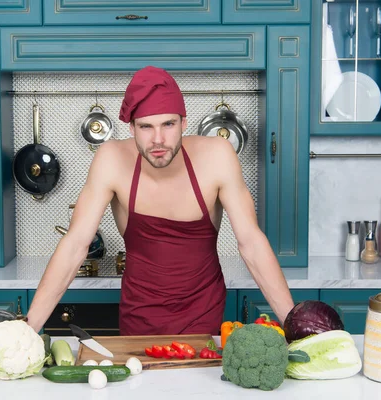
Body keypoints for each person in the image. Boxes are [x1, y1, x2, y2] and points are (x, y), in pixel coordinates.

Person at [26, 66, 294, 335]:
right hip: (138, 315)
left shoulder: (218, 156)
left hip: (205, 314)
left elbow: (252, 242)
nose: (158, 139)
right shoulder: (111, 159)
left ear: (184, 123)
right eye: (146, 126)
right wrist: (28, 328)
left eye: (168, 124)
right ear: (131, 128)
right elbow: (75, 244)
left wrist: (294, 325)